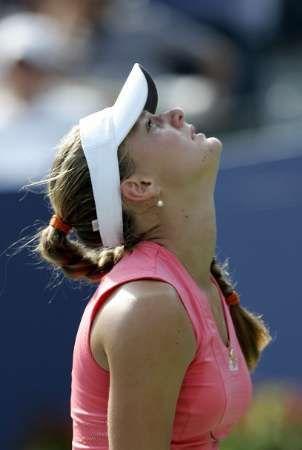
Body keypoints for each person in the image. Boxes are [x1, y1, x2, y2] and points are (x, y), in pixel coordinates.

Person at [34, 63, 271, 449]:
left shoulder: (187, 284)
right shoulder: (150, 305)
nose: (175, 115)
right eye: (151, 126)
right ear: (140, 186)